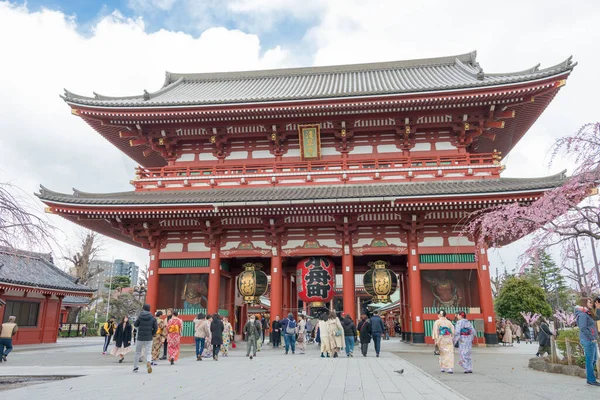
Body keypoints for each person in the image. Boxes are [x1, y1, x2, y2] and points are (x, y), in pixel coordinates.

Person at [575, 298, 600, 386]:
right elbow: (583, 328)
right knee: (590, 360)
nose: (591, 303)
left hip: (591, 339)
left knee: (593, 360)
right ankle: (591, 380)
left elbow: (597, 318)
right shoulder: (582, 315)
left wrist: (598, 308)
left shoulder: (587, 313)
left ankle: (590, 378)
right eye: (589, 302)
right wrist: (591, 338)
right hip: (588, 339)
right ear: (584, 303)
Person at [133, 304, 157, 373]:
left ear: (143, 309)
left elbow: (135, 325)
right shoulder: (152, 318)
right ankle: (149, 361)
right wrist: (152, 333)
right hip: (149, 337)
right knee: (148, 353)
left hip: (140, 337)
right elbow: (155, 328)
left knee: (137, 352)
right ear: (149, 309)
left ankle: (135, 367)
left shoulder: (140, 317)